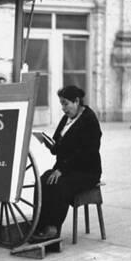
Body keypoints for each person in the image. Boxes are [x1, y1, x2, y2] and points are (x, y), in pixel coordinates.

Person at [31, 85, 102, 242]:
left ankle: (53, 229)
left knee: (59, 185)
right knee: (42, 181)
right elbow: (57, 146)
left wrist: (62, 169)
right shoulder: (67, 118)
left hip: (86, 170)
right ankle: (39, 224)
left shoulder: (89, 120)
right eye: (61, 104)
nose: (63, 108)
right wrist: (50, 144)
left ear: (76, 101)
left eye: (65, 103)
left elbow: (87, 152)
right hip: (66, 168)